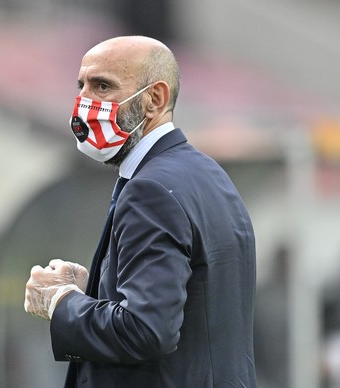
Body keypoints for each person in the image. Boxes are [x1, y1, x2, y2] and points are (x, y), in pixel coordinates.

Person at [24, 35, 257, 387]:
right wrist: (101, 288)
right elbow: (195, 297)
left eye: (102, 86)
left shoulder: (150, 190)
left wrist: (61, 303)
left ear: (155, 99)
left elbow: (146, 330)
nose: (84, 102)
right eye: (81, 86)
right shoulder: (206, 173)